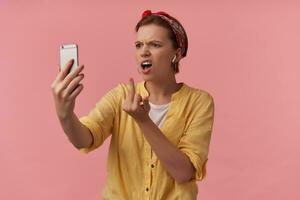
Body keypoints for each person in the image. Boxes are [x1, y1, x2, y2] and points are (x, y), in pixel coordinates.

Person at [51, 10, 214, 200]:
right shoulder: (121, 96)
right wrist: (65, 114)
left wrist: (143, 120)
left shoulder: (199, 102)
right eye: (139, 45)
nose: (144, 51)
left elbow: (183, 172)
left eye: (155, 45)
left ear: (176, 54)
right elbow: (85, 139)